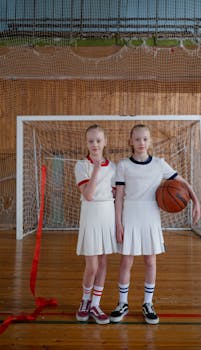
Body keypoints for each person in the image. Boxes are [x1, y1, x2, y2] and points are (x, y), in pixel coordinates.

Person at [110, 124, 201, 325]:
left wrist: (196, 202)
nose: (141, 143)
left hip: (150, 217)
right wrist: (118, 224)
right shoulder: (123, 165)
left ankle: (148, 303)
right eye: (137, 139)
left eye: (145, 139)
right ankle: (122, 303)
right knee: (126, 261)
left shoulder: (159, 164)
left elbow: (184, 183)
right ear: (130, 141)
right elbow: (119, 198)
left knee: (150, 261)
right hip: (130, 216)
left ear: (149, 141)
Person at [74, 124, 117, 325]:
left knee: (102, 264)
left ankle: (95, 304)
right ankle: (85, 300)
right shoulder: (81, 165)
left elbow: (117, 196)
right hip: (90, 215)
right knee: (91, 266)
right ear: (86, 143)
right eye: (91, 141)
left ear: (105, 142)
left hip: (107, 215)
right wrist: (96, 169)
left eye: (98, 140)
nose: (95, 144)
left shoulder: (114, 167)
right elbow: (89, 195)